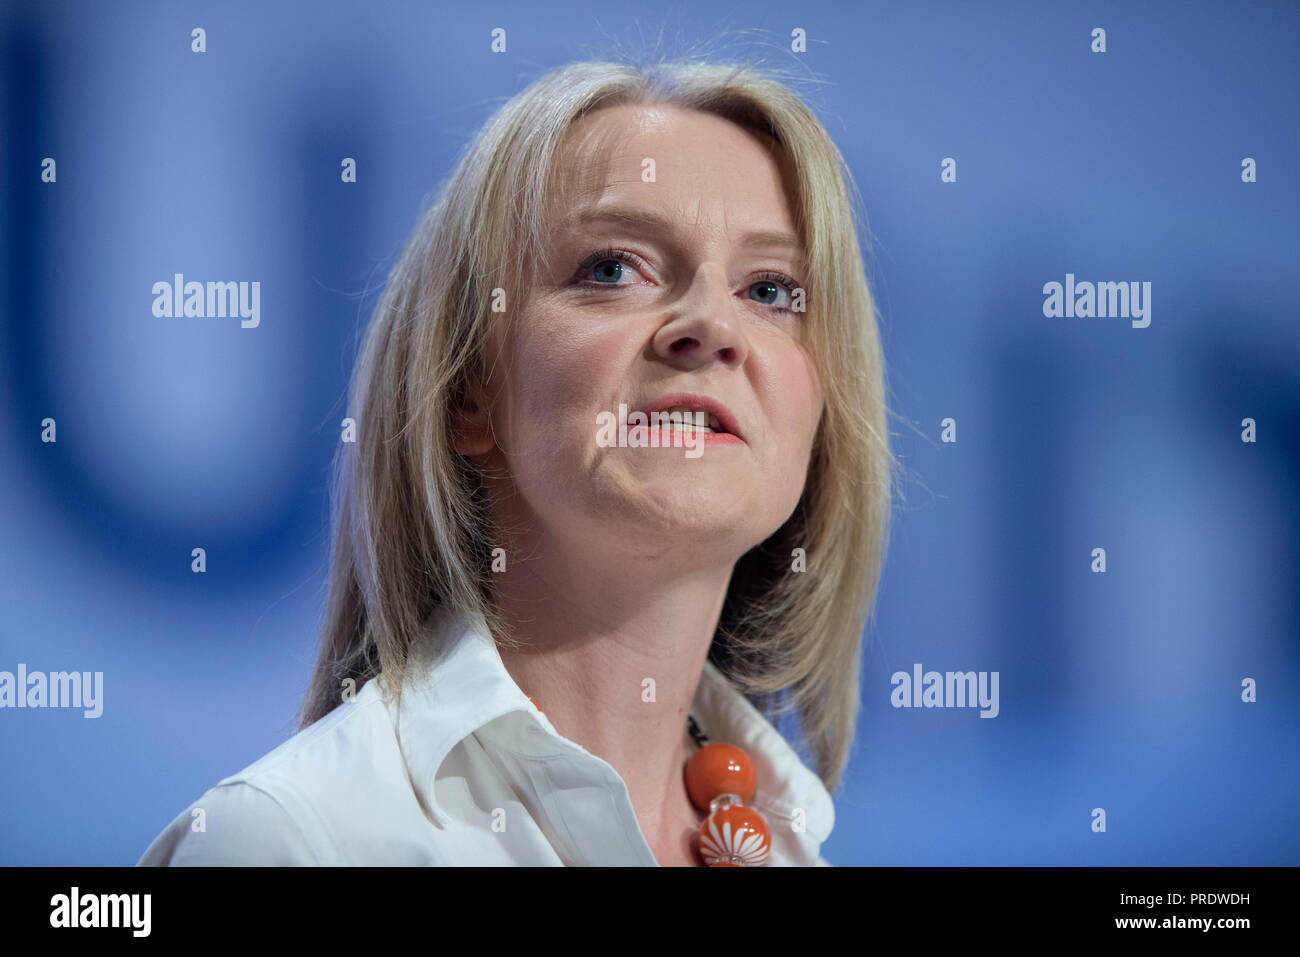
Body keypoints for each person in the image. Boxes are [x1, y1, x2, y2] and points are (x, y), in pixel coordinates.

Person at [138, 55, 896, 867]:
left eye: (772, 289)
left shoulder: (788, 842)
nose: (712, 323)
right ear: (468, 392)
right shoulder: (294, 838)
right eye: (612, 268)